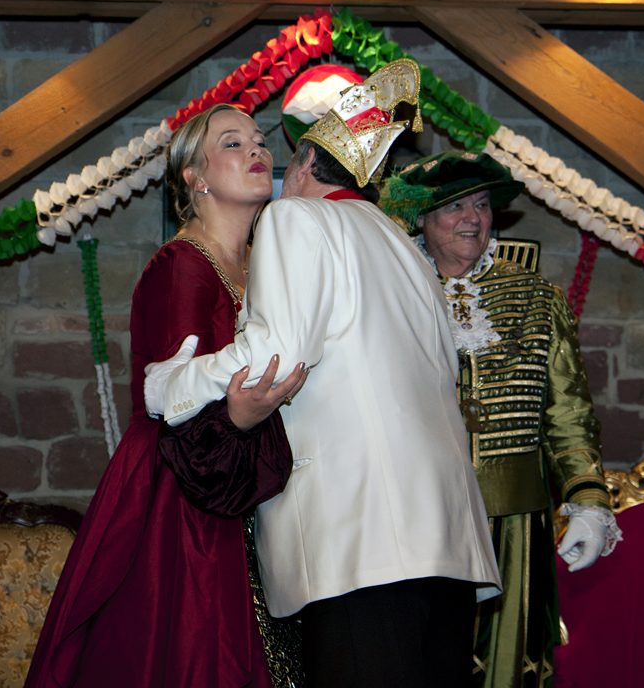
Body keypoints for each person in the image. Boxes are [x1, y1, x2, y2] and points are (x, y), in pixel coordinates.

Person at [145, 60, 501, 687]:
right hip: (448, 542)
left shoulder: (296, 218)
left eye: (273, 154)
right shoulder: (405, 248)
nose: (267, 163)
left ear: (305, 165)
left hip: (362, 542)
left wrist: (170, 384)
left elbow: (277, 355)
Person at [25, 104, 307, 688]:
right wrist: (239, 416)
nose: (257, 150)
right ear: (194, 177)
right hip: (184, 495)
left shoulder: (260, 268)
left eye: (259, 140)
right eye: (232, 143)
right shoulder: (181, 266)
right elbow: (179, 408)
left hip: (244, 483)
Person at [379, 151, 620, 688]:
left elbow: (568, 412)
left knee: (506, 668)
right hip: (412, 514)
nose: (473, 218)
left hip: (514, 523)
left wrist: (588, 499)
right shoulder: (389, 292)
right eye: (455, 206)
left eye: (483, 205)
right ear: (422, 217)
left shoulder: (537, 298)